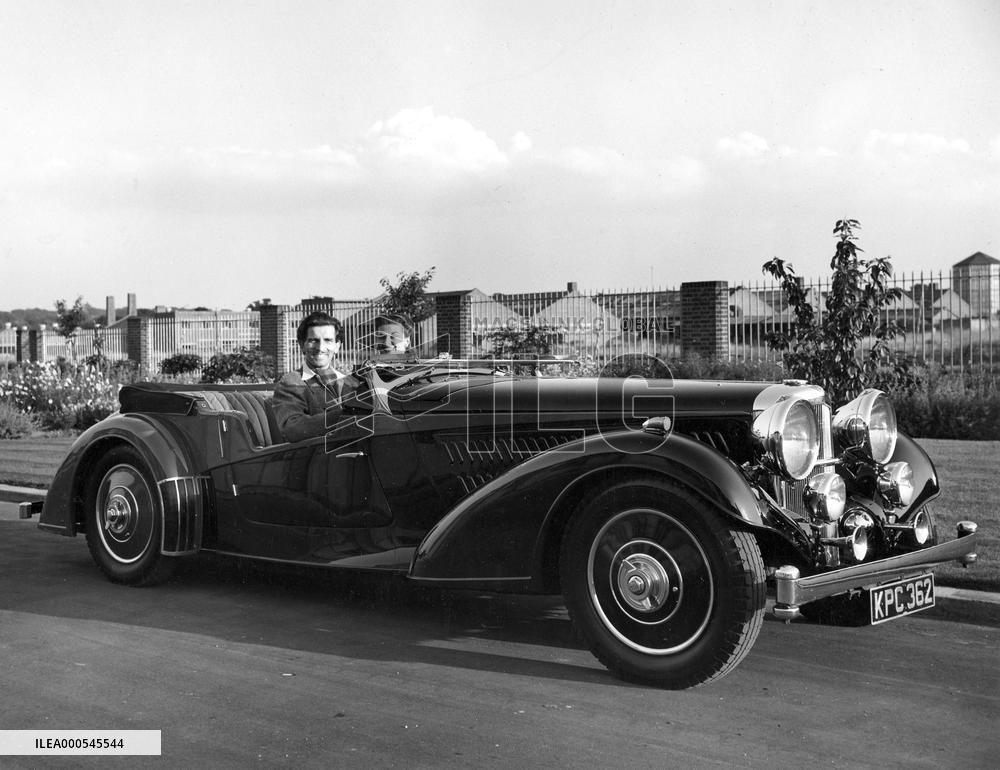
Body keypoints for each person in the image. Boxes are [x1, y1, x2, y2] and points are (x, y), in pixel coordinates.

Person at [271, 311, 365, 442]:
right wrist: (345, 415)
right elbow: (292, 428)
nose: (320, 347)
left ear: (337, 346)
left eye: (328, 340)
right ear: (302, 345)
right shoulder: (292, 382)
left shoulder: (351, 382)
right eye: (313, 340)